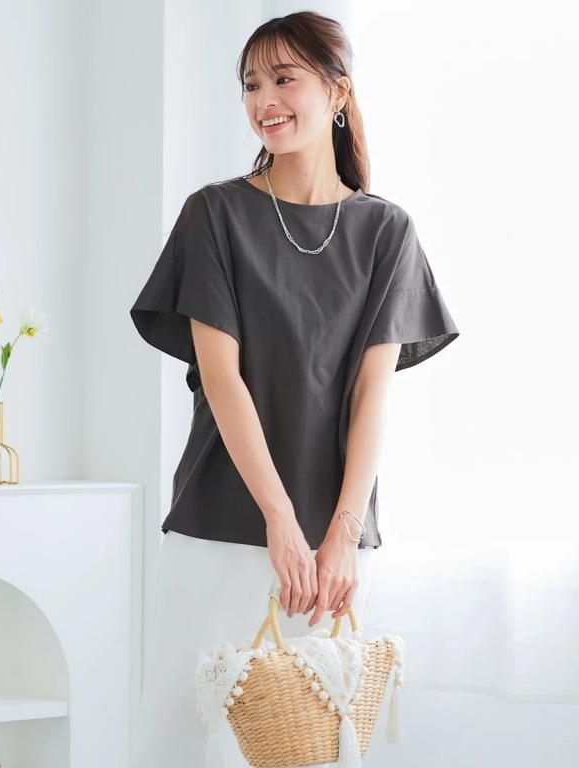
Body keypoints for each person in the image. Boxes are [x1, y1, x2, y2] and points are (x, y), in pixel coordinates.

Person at [130, 10, 459, 767]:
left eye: (284, 79)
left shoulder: (387, 232)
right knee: (184, 745)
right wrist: (281, 523)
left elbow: (373, 395)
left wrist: (341, 533)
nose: (263, 100)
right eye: (251, 84)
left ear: (338, 92)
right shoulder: (216, 215)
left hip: (335, 546)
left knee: (314, 748)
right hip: (222, 524)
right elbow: (223, 380)